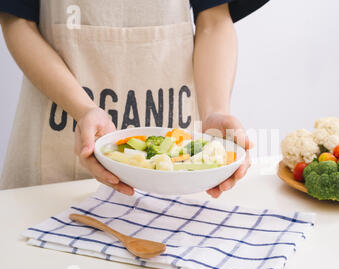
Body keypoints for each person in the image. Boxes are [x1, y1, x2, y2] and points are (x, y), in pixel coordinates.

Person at [0, 0, 269, 198]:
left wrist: (216, 110)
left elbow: (213, 19)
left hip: (173, 160)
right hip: (56, 149)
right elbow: (16, 20)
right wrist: (83, 109)